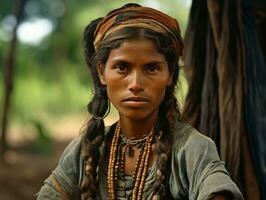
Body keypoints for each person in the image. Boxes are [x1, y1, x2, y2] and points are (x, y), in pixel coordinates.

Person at [37, 3, 243, 200]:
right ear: (102, 72)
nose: (135, 83)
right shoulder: (86, 148)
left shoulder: (191, 148)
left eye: (151, 68)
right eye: (122, 67)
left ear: (170, 74)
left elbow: (218, 189)